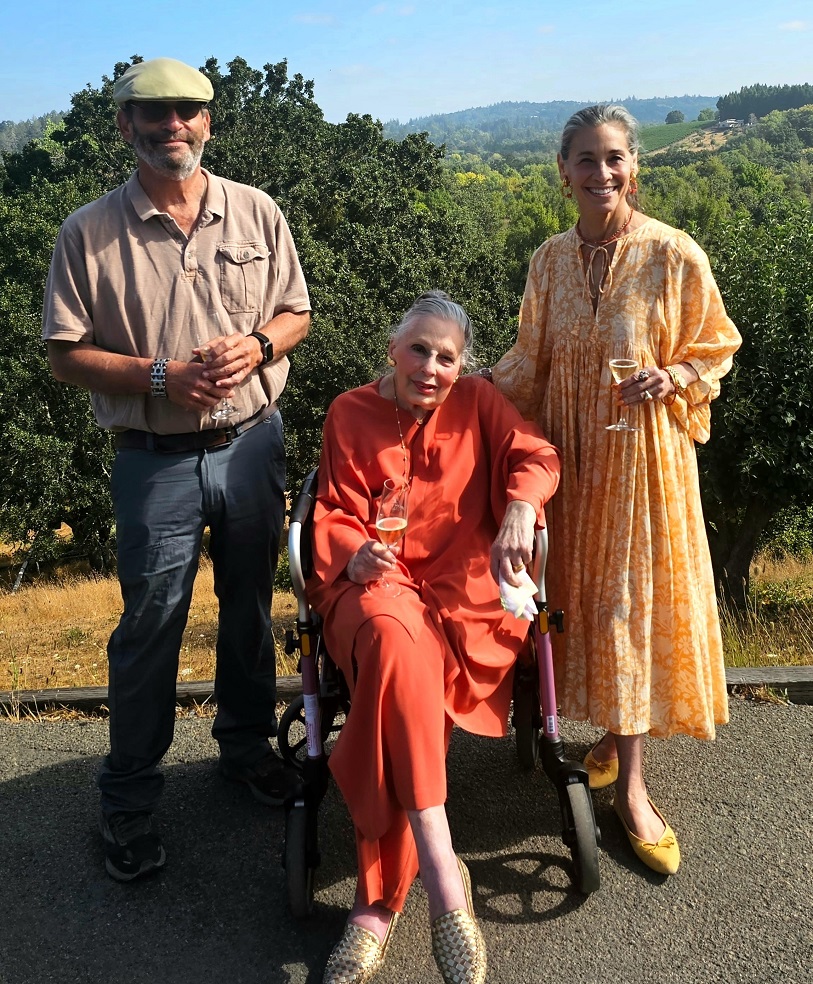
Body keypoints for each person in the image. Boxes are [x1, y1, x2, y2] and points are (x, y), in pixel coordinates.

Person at [42, 58, 311, 881]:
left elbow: (297, 313)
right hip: (152, 458)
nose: (173, 125)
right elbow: (64, 354)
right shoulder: (87, 231)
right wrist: (161, 376)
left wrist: (258, 345)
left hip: (252, 444)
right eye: (154, 113)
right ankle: (128, 798)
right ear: (124, 125)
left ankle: (245, 751)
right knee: (152, 624)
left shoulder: (255, 210)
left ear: (208, 121)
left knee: (250, 609)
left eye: (188, 111)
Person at [493, 104, 742, 876]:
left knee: (629, 611)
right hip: (571, 464)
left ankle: (632, 791)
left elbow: (718, 342)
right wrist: (446, 393)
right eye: (585, 159)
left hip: (642, 466)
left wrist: (675, 374)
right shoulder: (547, 260)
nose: (600, 172)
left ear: (633, 166)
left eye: (613, 158)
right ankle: (608, 736)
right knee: (587, 607)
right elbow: (526, 362)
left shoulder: (672, 252)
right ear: (562, 171)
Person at [307, 291, 560, 984]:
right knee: (393, 640)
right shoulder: (348, 412)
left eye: (446, 357)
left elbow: (537, 455)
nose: (430, 367)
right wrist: (353, 551)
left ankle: (375, 907)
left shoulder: (478, 402)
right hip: (374, 587)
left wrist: (519, 506)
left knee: (402, 677)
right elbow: (331, 510)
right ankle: (445, 877)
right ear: (392, 349)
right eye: (418, 349)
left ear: (461, 366)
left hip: (460, 595)